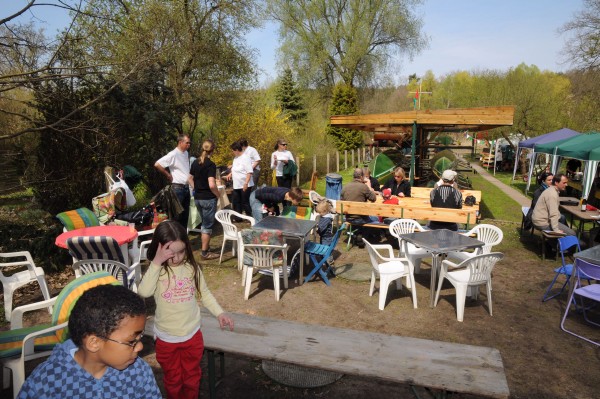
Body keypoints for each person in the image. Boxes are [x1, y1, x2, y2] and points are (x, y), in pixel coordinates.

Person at [138, 220, 234, 399]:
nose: (177, 258)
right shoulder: (157, 270)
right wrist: (157, 261)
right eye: (170, 253)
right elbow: (144, 291)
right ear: (159, 248)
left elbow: (204, 293)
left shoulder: (192, 268)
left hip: (192, 336)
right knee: (173, 379)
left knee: (192, 377)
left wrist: (220, 312)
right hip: (167, 339)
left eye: (181, 251)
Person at [18, 284, 162, 399]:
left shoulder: (139, 371)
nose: (140, 346)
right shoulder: (47, 381)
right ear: (94, 343)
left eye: (140, 338)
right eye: (132, 341)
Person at [190, 139, 220, 260]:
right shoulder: (211, 164)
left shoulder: (195, 163)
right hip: (208, 198)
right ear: (212, 150)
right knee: (207, 226)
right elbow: (212, 184)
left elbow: (189, 178)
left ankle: (205, 248)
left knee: (204, 224)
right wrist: (218, 195)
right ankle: (204, 253)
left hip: (198, 198)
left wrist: (196, 189)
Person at [155, 134, 192, 226]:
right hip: (177, 188)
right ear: (180, 142)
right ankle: (175, 237)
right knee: (177, 215)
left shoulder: (186, 153)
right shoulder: (173, 154)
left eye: (189, 143)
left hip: (186, 187)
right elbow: (157, 164)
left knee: (185, 214)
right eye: (187, 143)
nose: (189, 145)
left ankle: (183, 237)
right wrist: (168, 174)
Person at [341, 168, 377, 247]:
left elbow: (342, 201)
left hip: (348, 218)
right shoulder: (363, 187)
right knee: (375, 218)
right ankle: (363, 236)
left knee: (358, 216)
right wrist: (369, 186)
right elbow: (373, 199)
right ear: (361, 177)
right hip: (361, 218)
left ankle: (357, 234)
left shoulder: (345, 187)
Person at [229, 141, 254, 216]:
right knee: (236, 201)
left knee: (245, 202)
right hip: (236, 184)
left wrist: (246, 183)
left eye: (233, 150)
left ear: (236, 150)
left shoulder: (246, 158)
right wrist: (230, 174)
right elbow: (235, 168)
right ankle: (238, 217)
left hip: (245, 184)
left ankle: (250, 217)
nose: (232, 152)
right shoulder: (236, 158)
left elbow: (249, 172)